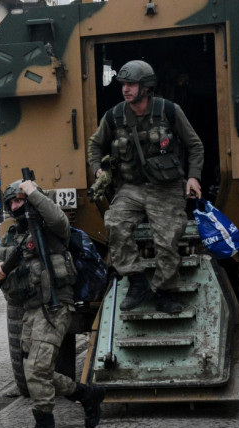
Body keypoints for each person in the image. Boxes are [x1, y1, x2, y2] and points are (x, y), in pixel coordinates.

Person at [0, 180, 105, 428]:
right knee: (35, 373)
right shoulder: (15, 235)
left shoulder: (50, 230)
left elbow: (57, 218)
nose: (15, 206)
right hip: (30, 309)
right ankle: (87, 394)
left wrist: (33, 193)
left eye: (19, 200)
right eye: (11, 203)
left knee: (38, 370)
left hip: (55, 306)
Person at [87, 59, 203, 314]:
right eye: (123, 85)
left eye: (131, 84)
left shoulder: (170, 111)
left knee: (169, 237)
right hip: (131, 188)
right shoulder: (115, 115)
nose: (125, 89)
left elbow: (195, 145)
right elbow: (95, 144)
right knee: (115, 224)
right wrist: (97, 167)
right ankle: (137, 281)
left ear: (146, 87)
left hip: (167, 186)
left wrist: (193, 177)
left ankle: (164, 291)